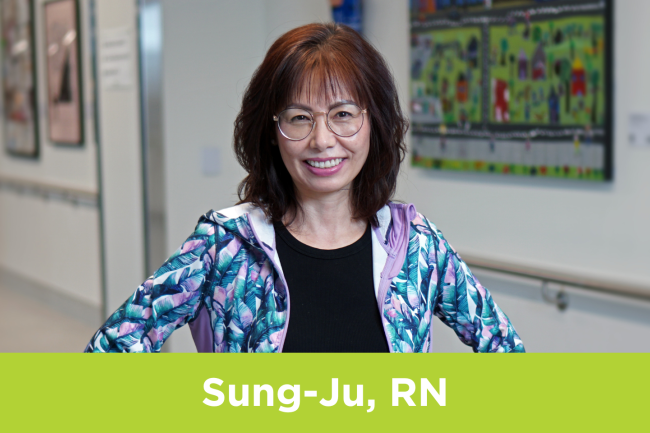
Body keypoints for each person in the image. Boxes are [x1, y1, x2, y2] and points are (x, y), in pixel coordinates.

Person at [85, 23, 524, 353]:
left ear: (374, 122)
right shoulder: (223, 244)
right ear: (272, 132)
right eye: (299, 117)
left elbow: (508, 353)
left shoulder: (414, 245)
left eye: (343, 114)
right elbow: (109, 353)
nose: (322, 140)